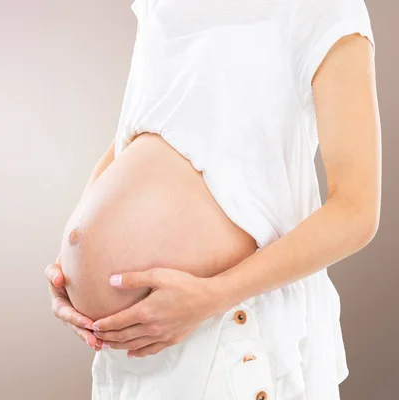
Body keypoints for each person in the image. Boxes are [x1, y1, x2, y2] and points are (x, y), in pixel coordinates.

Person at [45, 0, 381, 398]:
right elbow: (138, 136)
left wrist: (210, 298)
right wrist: (73, 267)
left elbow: (356, 211)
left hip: (228, 328)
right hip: (138, 353)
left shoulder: (323, 8)